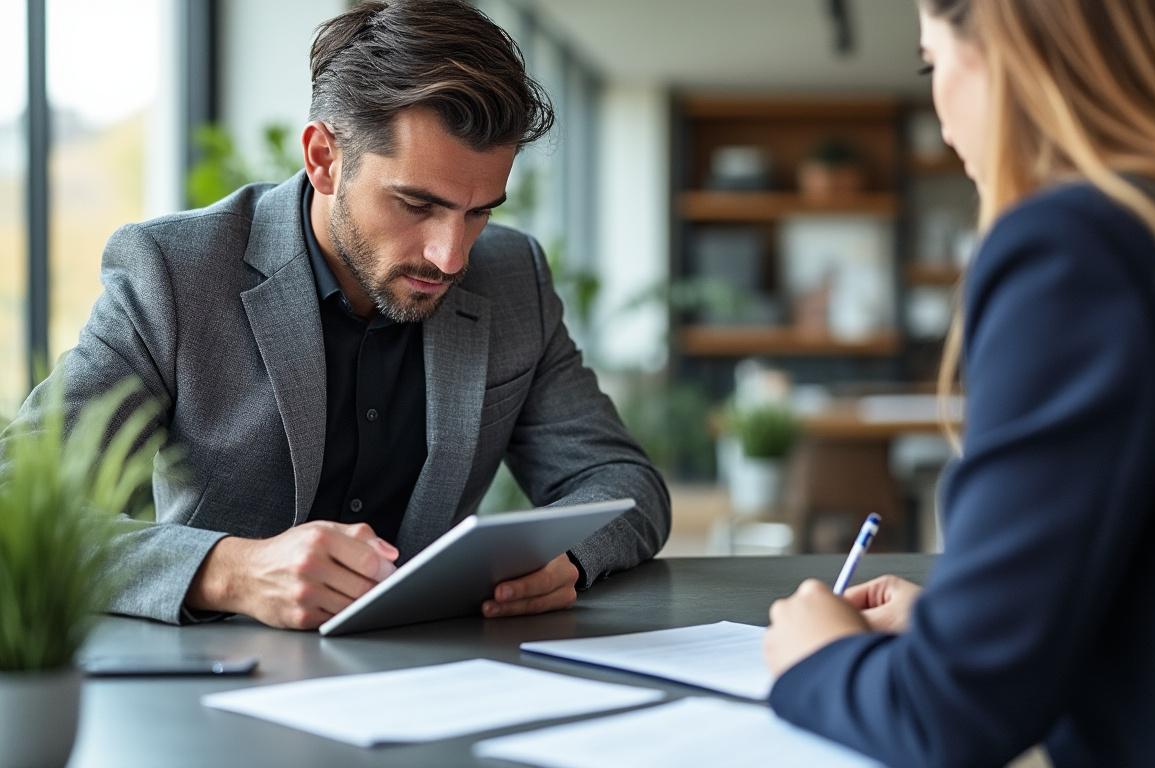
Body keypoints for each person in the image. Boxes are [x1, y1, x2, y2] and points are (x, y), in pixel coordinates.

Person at [763, 1, 1155, 766]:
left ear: (1007, 51)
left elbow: (950, 715)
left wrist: (819, 658)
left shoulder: (1079, 246)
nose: (941, 117)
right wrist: (971, 622)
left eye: (932, 61)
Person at [0, 0, 669, 630]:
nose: (451, 255)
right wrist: (228, 571)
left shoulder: (513, 277)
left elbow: (622, 481)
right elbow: (15, 504)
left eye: (479, 212)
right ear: (324, 159)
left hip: (439, 675)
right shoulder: (174, 274)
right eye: (417, 204)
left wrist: (569, 558)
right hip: (219, 677)